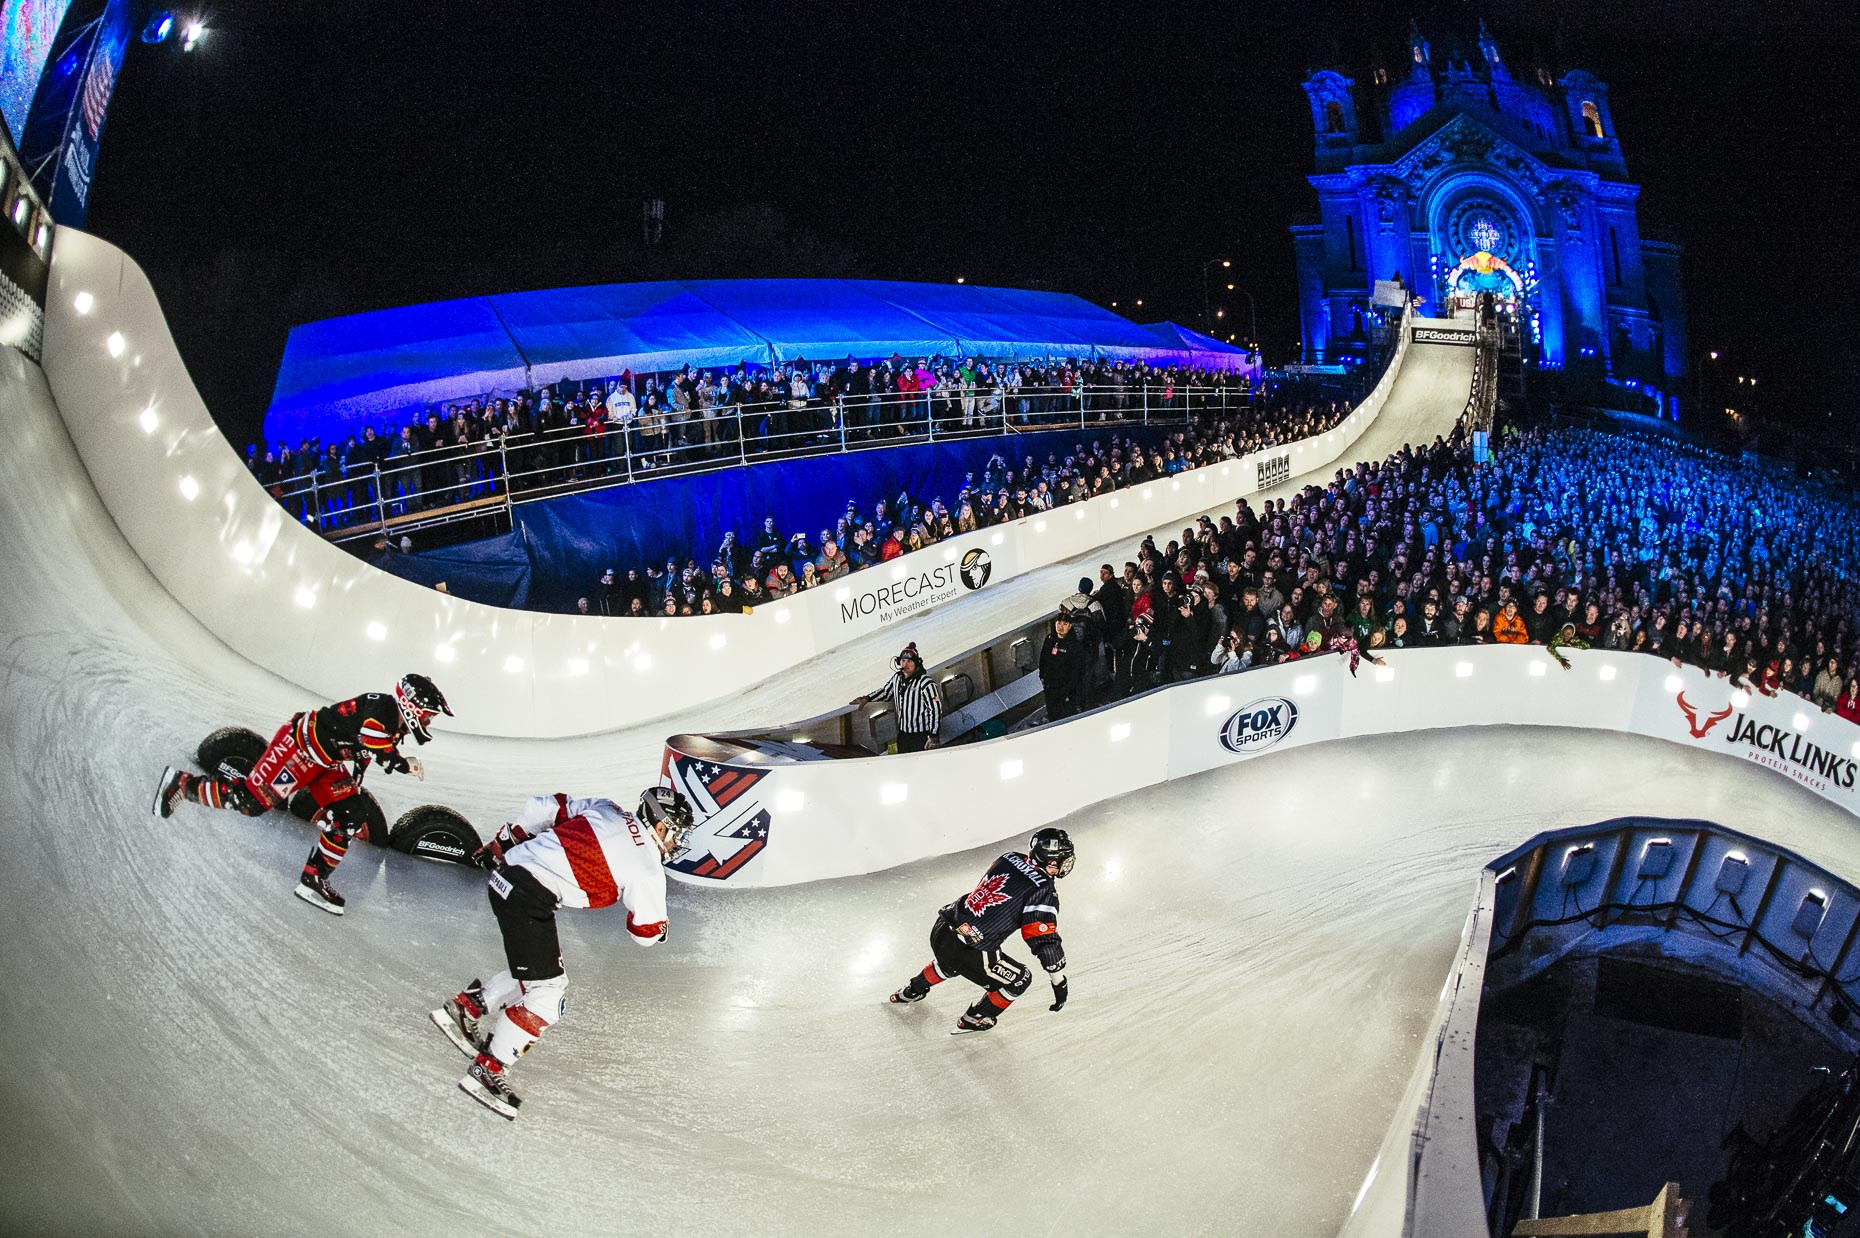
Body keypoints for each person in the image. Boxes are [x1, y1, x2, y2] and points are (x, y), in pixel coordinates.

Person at [432, 786, 695, 1119]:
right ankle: (488, 1070)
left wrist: (504, 841)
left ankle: (466, 1008)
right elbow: (644, 932)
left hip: (508, 877)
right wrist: (662, 931)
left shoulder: (608, 808)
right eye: (676, 832)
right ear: (660, 826)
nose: (677, 841)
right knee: (548, 995)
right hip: (529, 897)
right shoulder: (648, 868)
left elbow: (543, 807)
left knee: (540, 974)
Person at [152, 674, 453, 914]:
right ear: (412, 706)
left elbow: (365, 751)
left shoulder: (393, 720)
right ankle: (182, 785)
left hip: (325, 761)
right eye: (428, 715)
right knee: (251, 801)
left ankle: (313, 879)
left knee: (351, 815)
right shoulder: (383, 712)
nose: (428, 722)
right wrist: (404, 764)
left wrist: (355, 785)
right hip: (299, 750)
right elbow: (376, 745)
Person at [888, 828, 1075, 1034]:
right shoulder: (1043, 890)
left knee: (950, 962)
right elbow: (1043, 939)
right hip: (972, 949)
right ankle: (975, 1018)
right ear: (1051, 861)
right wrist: (1059, 983)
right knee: (1020, 979)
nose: (1068, 862)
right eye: (1065, 858)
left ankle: (910, 991)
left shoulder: (1009, 857)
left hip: (944, 928)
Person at [855, 642, 942, 752]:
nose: (905, 665)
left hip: (921, 736)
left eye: (909, 661)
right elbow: (886, 693)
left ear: (917, 663)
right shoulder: (897, 678)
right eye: (903, 661)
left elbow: (935, 710)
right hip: (903, 735)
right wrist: (867, 698)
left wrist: (933, 735)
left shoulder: (926, 683)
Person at [1040, 612, 1090, 721]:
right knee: (1052, 712)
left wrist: (1069, 688)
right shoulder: (1050, 639)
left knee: (1065, 713)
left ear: (1070, 626)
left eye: (1064, 624)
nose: (1060, 627)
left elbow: (1078, 669)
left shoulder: (1075, 646)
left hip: (1066, 687)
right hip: (1050, 685)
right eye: (1059, 623)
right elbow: (1043, 658)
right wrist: (1042, 675)